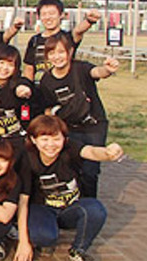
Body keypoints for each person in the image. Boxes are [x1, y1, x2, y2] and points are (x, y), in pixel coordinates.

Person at [14, 115, 124, 261]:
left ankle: (79, 250)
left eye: (56, 139)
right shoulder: (27, 158)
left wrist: (108, 153)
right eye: (44, 139)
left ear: (64, 139)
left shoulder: (70, 148)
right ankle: (41, 232)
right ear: (33, 140)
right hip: (42, 208)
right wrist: (23, 242)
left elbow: (91, 151)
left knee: (95, 210)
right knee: (44, 237)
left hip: (69, 208)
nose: (51, 145)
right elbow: (23, 201)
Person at [38, 33, 119, 197]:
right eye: (52, 53)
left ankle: (90, 202)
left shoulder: (80, 68)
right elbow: (46, 108)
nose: (57, 57)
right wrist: (57, 112)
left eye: (61, 52)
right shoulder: (46, 80)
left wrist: (107, 70)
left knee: (90, 169)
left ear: (70, 52)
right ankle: (73, 201)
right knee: (72, 166)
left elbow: (96, 72)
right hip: (69, 127)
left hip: (94, 126)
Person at [23, 0, 100, 85]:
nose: (48, 17)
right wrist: (28, 86)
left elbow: (78, 30)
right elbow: (29, 68)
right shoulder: (34, 40)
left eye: (52, 13)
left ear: (61, 15)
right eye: (44, 14)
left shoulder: (68, 37)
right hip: (41, 89)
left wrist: (89, 21)